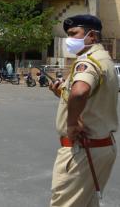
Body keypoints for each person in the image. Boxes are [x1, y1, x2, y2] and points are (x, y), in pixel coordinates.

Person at [49, 14, 118, 207]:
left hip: (82, 150)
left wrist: (71, 123)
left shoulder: (87, 61)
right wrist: (62, 92)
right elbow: (89, 96)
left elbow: (80, 93)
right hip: (101, 147)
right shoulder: (104, 59)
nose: (69, 40)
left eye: (74, 34)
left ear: (92, 36)